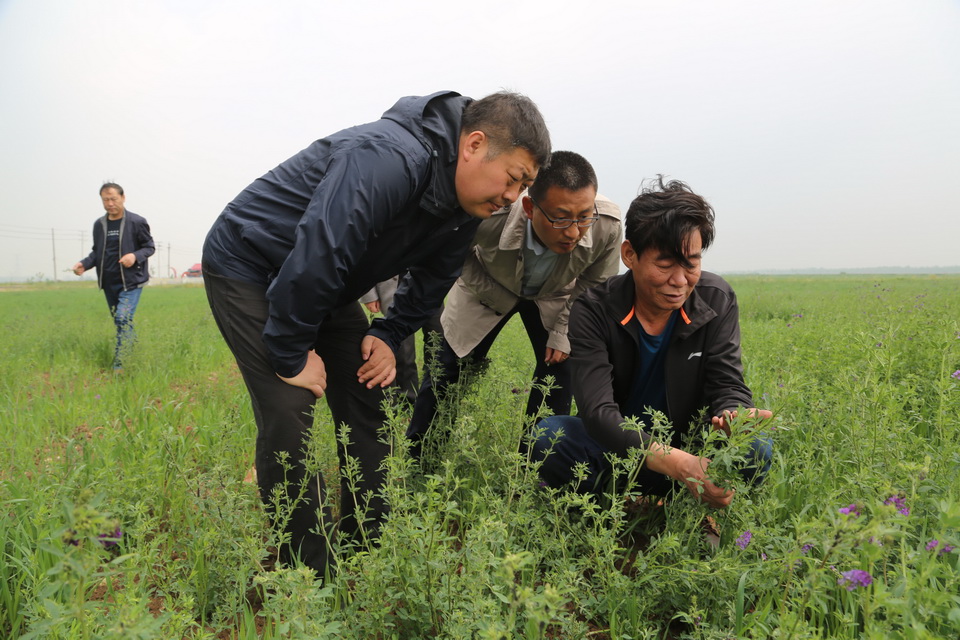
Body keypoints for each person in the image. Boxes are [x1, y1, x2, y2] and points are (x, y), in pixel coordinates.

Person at [201, 90, 550, 575]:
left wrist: (389, 333)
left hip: (324, 280)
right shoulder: (388, 157)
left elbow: (430, 283)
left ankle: (368, 549)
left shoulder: (465, 209)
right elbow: (322, 246)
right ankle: (308, 573)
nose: (512, 198)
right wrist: (291, 353)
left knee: (369, 392)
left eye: (523, 187)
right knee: (288, 403)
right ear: (472, 145)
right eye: (513, 179)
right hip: (251, 263)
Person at [530, 177, 772, 509]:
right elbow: (598, 413)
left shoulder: (716, 298)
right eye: (665, 264)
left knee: (755, 448)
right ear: (630, 255)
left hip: (692, 448)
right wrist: (677, 463)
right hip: (622, 452)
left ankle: (686, 506)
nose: (679, 280)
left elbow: (727, 381)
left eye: (691, 263)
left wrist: (733, 416)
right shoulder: (594, 308)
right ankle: (623, 505)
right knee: (547, 437)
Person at [407, 151, 622, 460]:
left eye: (584, 216)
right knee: (448, 365)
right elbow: (451, 253)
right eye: (560, 218)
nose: (575, 232)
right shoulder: (490, 211)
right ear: (529, 206)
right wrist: (488, 288)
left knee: (560, 371)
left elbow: (594, 285)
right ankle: (421, 457)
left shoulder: (607, 225)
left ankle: (537, 469)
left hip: (556, 293)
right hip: (488, 283)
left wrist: (562, 332)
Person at [72, 183, 155, 371]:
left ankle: (120, 365)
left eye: (113, 199)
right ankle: (132, 352)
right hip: (109, 283)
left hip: (131, 282)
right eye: (105, 200)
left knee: (122, 318)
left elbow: (149, 247)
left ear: (123, 198)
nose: (110, 203)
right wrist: (83, 264)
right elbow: (97, 252)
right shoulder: (99, 225)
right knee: (121, 323)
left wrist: (134, 256)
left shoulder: (137, 222)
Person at [359, 276, 443, 405]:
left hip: (428, 284)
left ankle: (436, 397)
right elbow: (365, 258)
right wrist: (369, 295)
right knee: (403, 351)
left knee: (438, 339)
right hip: (394, 288)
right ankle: (407, 402)